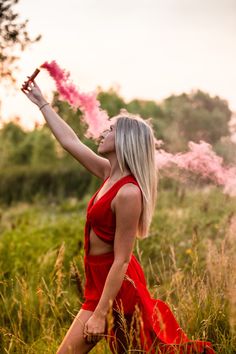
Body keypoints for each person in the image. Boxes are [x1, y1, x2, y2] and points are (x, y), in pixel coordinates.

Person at [21, 79, 215, 354]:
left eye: (110, 130)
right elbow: (70, 142)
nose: (103, 133)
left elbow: (122, 259)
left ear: (124, 140)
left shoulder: (128, 194)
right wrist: (42, 104)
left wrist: (101, 313)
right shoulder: (108, 174)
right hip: (98, 284)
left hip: (117, 289)